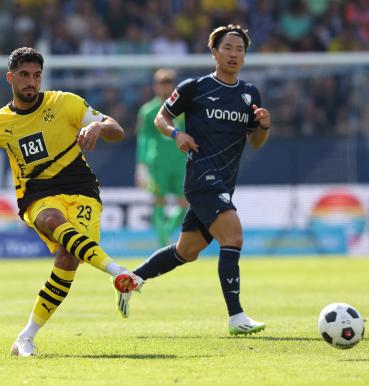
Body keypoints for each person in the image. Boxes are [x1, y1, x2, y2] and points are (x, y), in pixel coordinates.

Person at [0, 47, 144, 357]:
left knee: (68, 257)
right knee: (53, 222)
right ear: (10, 78)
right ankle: (119, 271)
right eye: (24, 75)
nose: (31, 82)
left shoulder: (64, 102)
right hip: (37, 194)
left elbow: (116, 129)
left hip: (82, 189)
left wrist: (97, 126)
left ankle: (25, 337)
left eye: (37, 75)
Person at [116, 25, 271, 335]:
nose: (233, 54)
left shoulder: (250, 94)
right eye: (227, 48)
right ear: (214, 52)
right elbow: (162, 117)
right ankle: (236, 317)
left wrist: (264, 126)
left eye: (239, 49)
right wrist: (177, 134)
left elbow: (255, 143)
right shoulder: (194, 88)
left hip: (225, 181)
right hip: (202, 177)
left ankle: (130, 280)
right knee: (233, 238)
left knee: (187, 251)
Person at [135, 69, 188, 247]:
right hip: (157, 163)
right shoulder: (148, 111)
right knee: (159, 201)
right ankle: (163, 242)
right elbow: (143, 139)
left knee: (185, 202)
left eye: (168, 83)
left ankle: (166, 233)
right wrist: (141, 165)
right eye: (161, 83)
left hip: (180, 162)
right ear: (155, 86)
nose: (165, 87)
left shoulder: (183, 109)